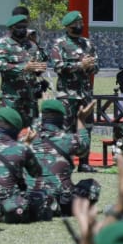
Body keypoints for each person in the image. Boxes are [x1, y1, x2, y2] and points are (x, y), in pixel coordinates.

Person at [0, 107, 52, 224]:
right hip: (10, 205)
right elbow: (36, 173)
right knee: (43, 194)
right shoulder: (22, 149)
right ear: (15, 128)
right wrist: (27, 145)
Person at [50, 10, 98, 172]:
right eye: (76, 24)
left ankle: (84, 162)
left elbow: (96, 67)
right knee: (67, 127)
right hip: (67, 94)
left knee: (87, 126)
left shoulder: (87, 44)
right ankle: (66, 161)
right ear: (68, 26)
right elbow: (58, 67)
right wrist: (80, 65)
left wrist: (91, 66)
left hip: (85, 93)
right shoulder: (60, 44)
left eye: (81, 23)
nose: (79, 26)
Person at [0, 13, 48, 130]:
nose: (23, 29)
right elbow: (1, 66)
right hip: (11, 97)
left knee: (33, 130)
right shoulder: (4, 44)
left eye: (25, 26)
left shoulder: (30, 44)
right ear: (11, 28)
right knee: (10, 129)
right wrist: (24, 68)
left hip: (30, 96)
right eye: (19, 27)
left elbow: (41, 60)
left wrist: (38, 68)